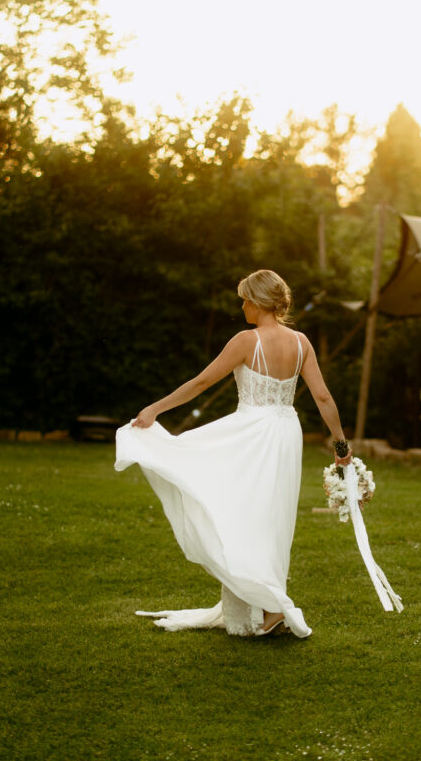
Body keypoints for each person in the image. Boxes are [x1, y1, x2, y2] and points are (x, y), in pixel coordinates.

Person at [115, 269, 352, 638]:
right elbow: (322, 396)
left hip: (252, 432)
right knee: (272, 516)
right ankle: (266, 603)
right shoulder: (301, 342)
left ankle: (270, 604)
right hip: (286, 434)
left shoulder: (246, 340)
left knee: (243, 511)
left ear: (258, 302)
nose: (241, 305)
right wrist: (341, 446)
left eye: (244, 299)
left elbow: (202, 382)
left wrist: (155, 409)